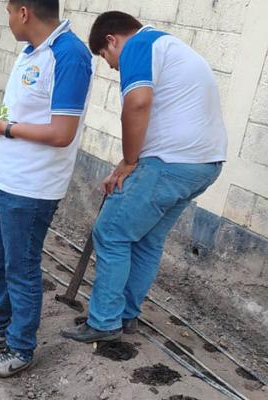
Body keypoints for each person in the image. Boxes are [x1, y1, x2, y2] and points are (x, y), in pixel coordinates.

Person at [61, 11, 226, 343]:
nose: (114, 68)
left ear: (112, 40)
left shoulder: (138, 45)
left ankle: (104, 322)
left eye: (110, 61)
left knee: (110, 232)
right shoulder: (174, 47)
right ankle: (126, 316)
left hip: (170, 163)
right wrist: (129, 163)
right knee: (148, 240)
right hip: (205, 164)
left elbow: (137, 104)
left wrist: (131, 161)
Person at [0, 0, 93, 378]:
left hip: (32, 188)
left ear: (25, 12)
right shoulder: (28, 54)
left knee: (22, 268)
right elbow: (8, 117)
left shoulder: (69, 56)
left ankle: (20, 348)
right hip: (3, 178)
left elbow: (62, 133)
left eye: (9, 12)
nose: (9, 20)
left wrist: (4, 131)